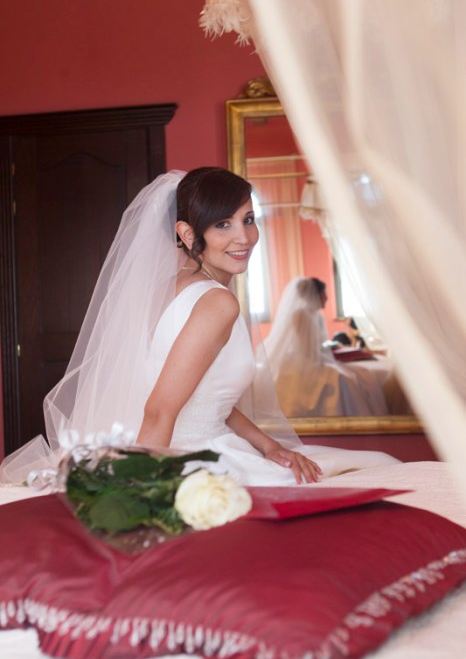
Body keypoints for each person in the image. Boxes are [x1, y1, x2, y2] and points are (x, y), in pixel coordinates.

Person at [0, 168, 398, 486]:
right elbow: (159, 410)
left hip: (188, 440)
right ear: (188, 234)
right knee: (378, 466)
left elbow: (204, 398)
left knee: (368, 463)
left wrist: (267, 445)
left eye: (248, 219)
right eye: (223, 224)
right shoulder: (218, 303)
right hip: (189, 457)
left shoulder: (172, 288)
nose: (244, 237)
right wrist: (142, 492)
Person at [255, 276, 389, 418]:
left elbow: (316, 344)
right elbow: (305, 348)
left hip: (314, 357)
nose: (326, 298)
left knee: (354, 376)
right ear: (317, 294)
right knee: (344, 379)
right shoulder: (301, 314)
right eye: (324, 293)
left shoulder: (316, 315)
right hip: (304, 361)